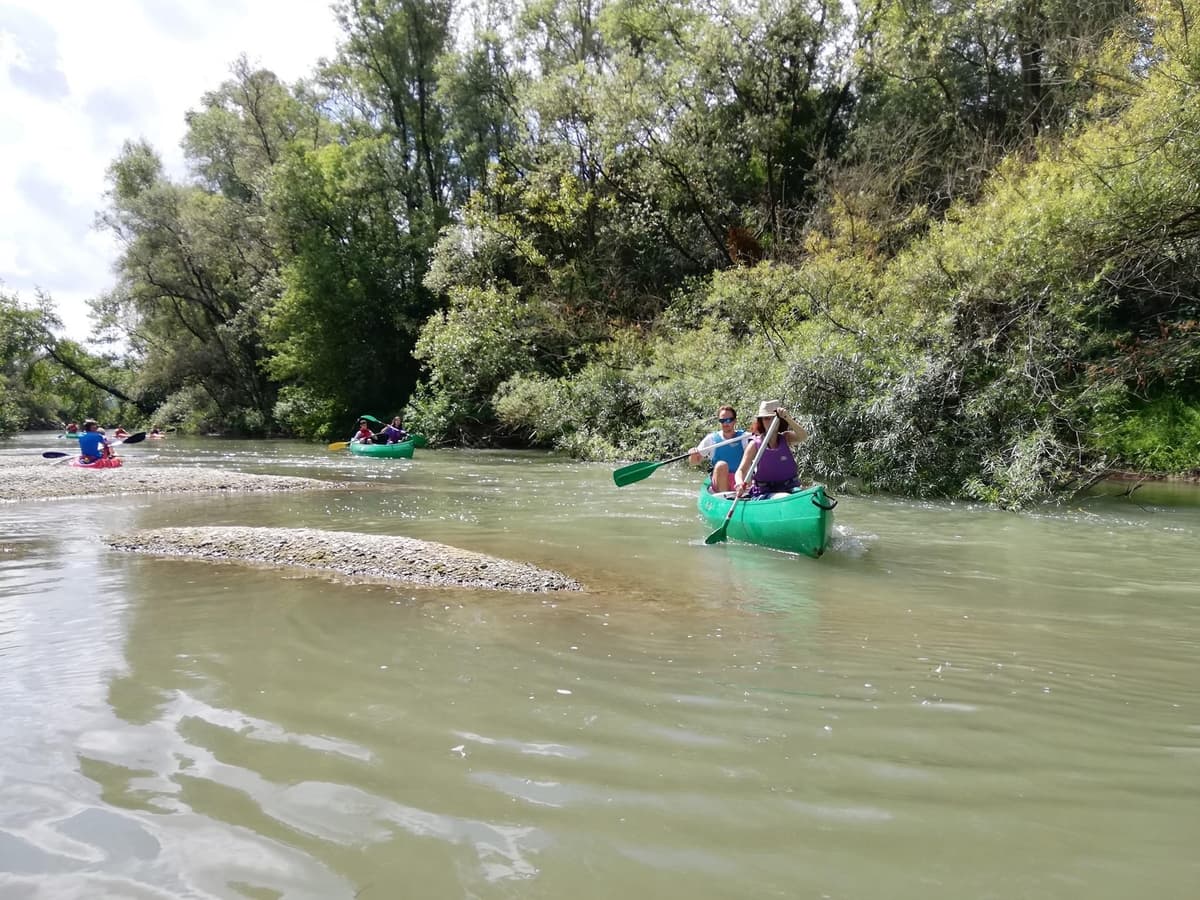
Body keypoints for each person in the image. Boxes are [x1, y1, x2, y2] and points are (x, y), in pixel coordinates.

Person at [733, 400, 808, 499]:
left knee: (810, 495)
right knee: (784, 497)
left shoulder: (786, 438)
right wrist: (739, 483)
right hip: (765, 492)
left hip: (790, 488)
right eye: (766, 419)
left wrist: (788, 418)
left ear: (779, 420)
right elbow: (741, 470)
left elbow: (803, 436)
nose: (770, 422)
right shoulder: (754, 444)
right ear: (761, 422)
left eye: (773, 419)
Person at [688, 405, 750, 494]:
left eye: (729, 420)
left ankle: (748, 496)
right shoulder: (711, 439)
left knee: (751, 469)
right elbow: (694, 462)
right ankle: (723, 497)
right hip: (720, 481)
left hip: (740, 479)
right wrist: (693, 454)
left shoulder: (745, 437)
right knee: (721, 465)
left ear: (735, 421)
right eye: (722, 421)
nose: (725, 423)